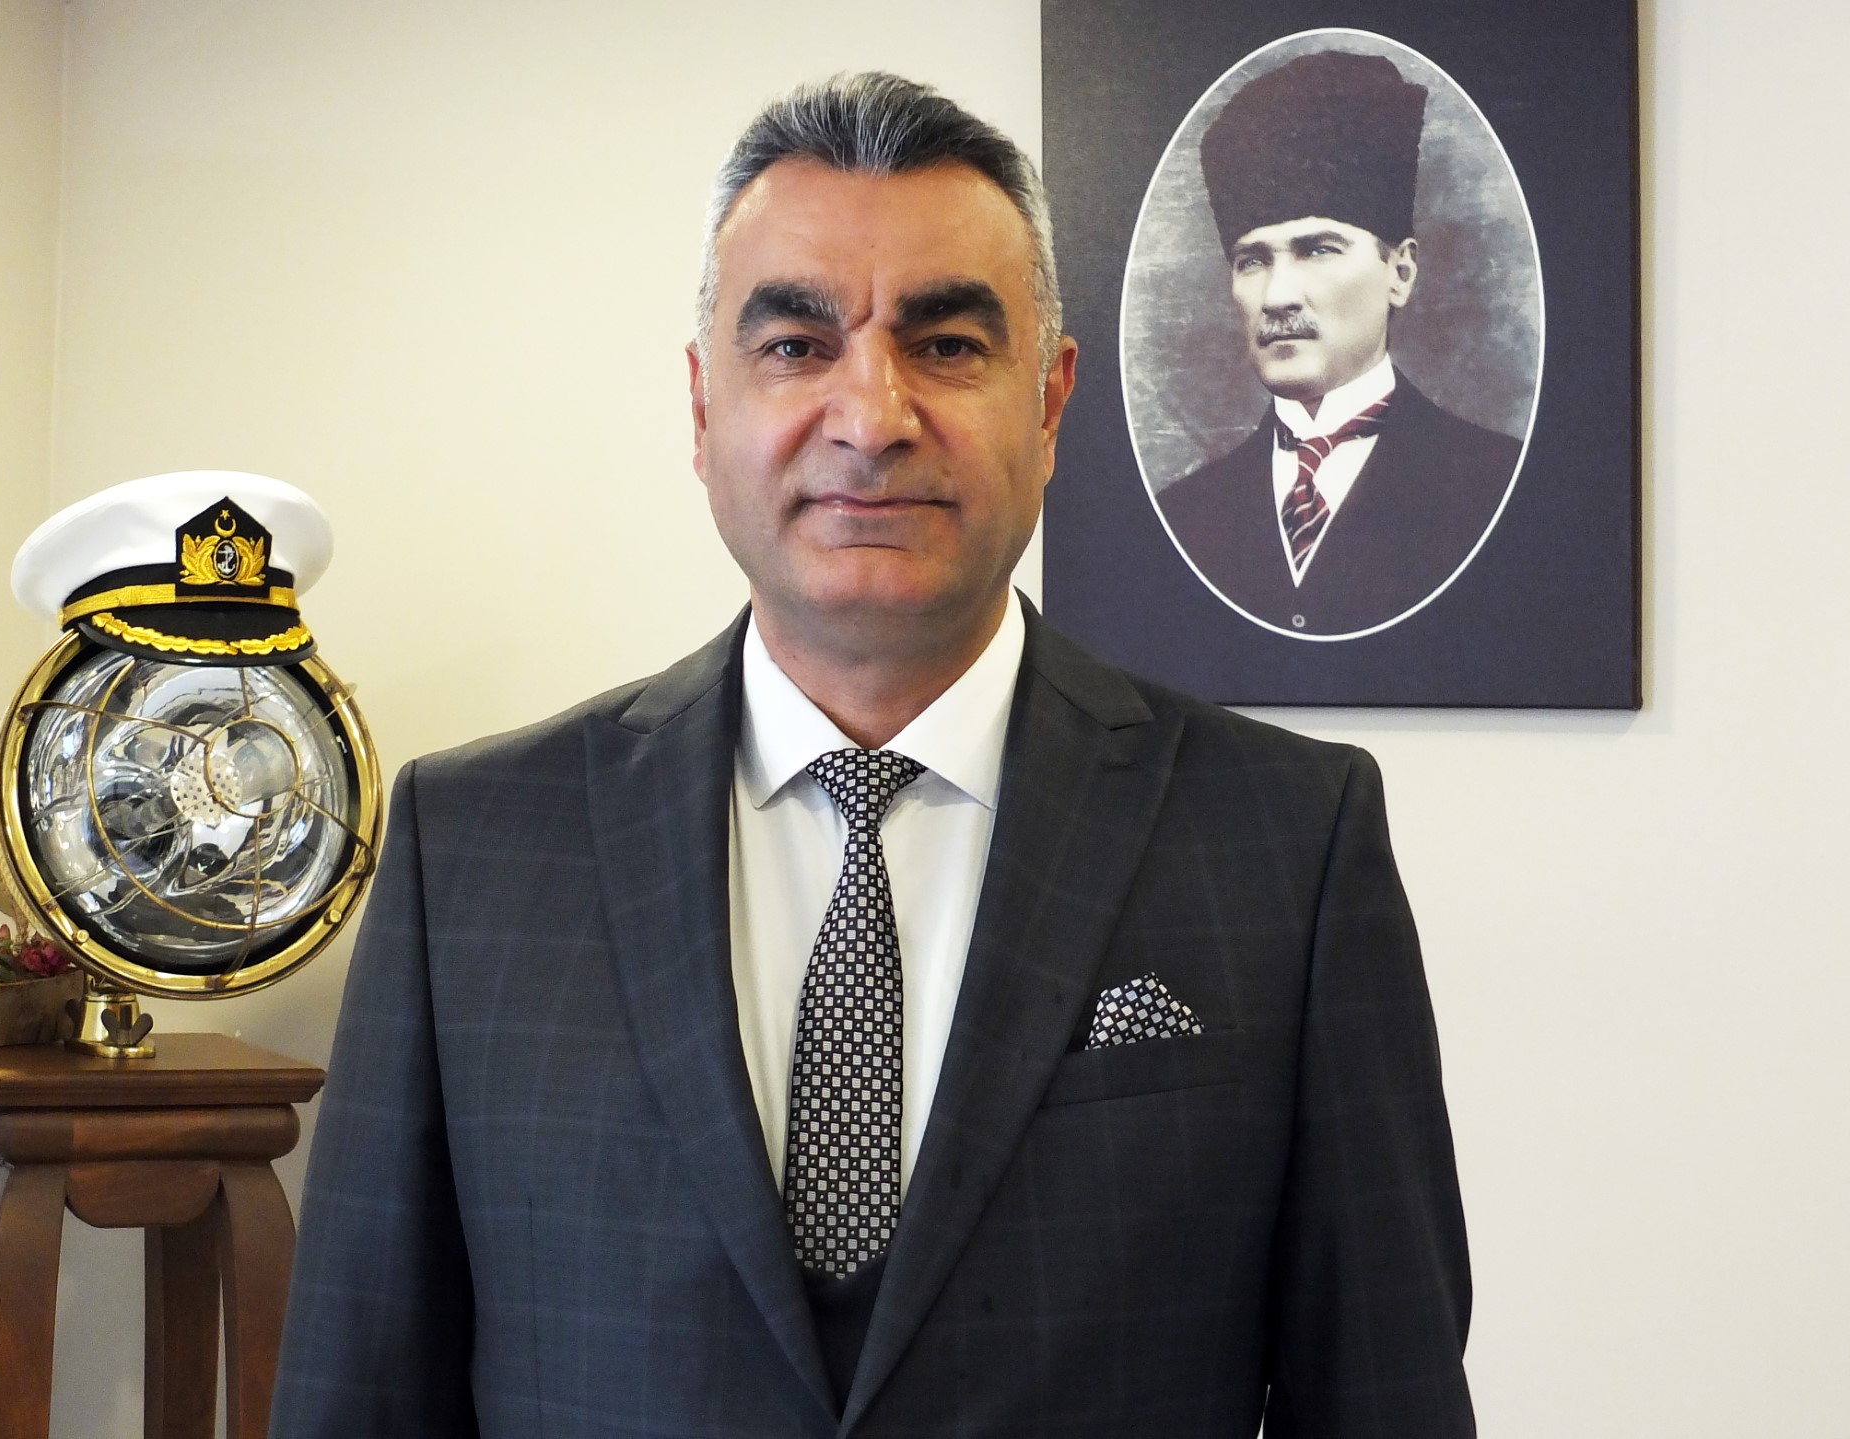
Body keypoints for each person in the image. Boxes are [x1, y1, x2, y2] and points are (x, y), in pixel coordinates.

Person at [272, 72, 1474, 1438]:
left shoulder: (1289, 841)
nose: (871, 415)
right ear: (702, 407)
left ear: (1051, 402)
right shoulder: (473, 849)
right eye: (796, 345)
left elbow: (1384, 1395)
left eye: (948, 344)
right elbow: (358, 1396)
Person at [1157, 49, 1523, 637]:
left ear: (1400, 272)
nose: (1278, 296)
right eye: (1252, 260)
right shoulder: (1183, 514)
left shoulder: (1497, 483)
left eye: (1318, 250)